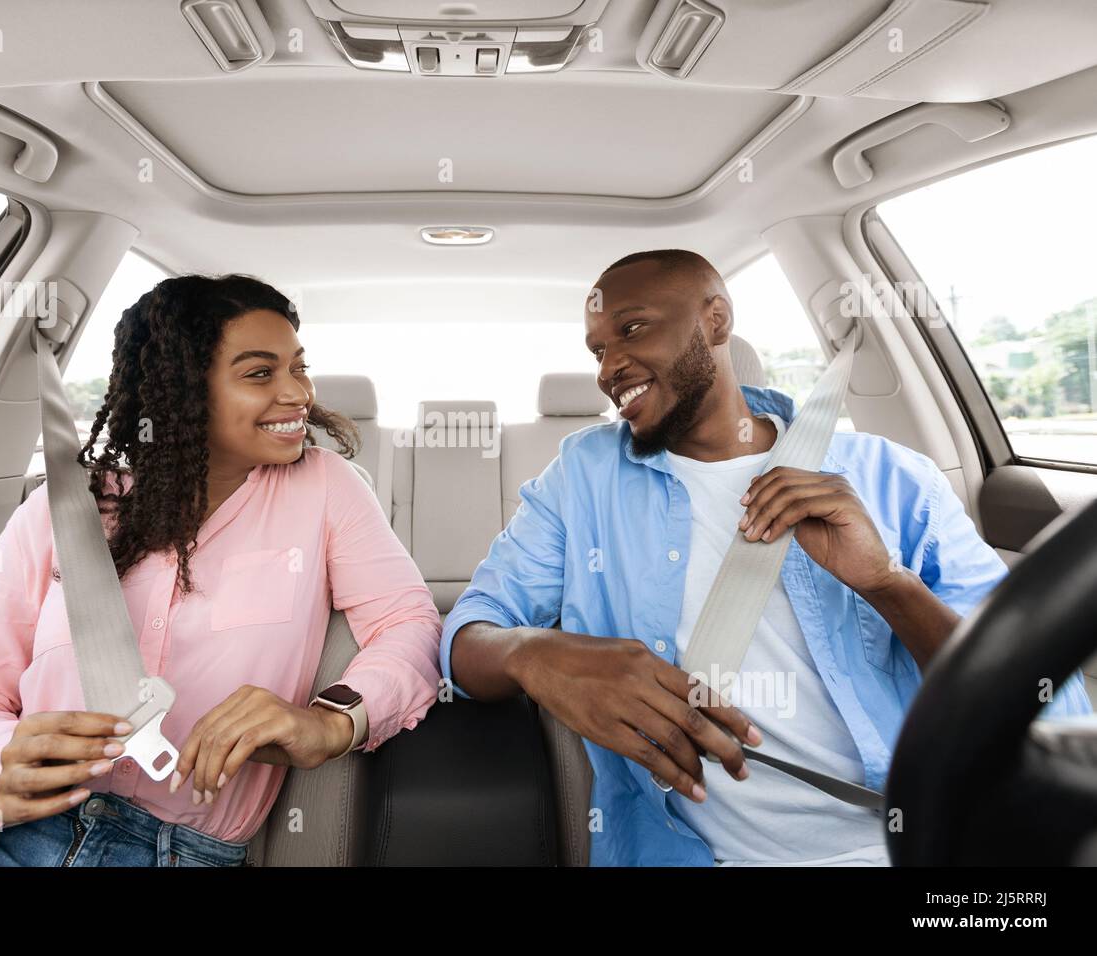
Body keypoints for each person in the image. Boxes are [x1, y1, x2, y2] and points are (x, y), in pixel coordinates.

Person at [440, 249, 1092, 867]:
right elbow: (471, 632)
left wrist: (888, 584)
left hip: (926, 845)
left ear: (715, 319)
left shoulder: (892, 478)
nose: (608, 367)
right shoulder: (583, 477)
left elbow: (1043, 711)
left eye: (632, 330)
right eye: (598, 350)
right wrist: (535, 654)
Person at [0, 274, 442, 867]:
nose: (298, 393)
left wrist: (330, 720)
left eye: (298, 367)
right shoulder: (66, 508)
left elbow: (409, 624)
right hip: (5, 839)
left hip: (179, 852)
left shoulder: (324, 489)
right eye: (260, 373)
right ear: (182, 392)